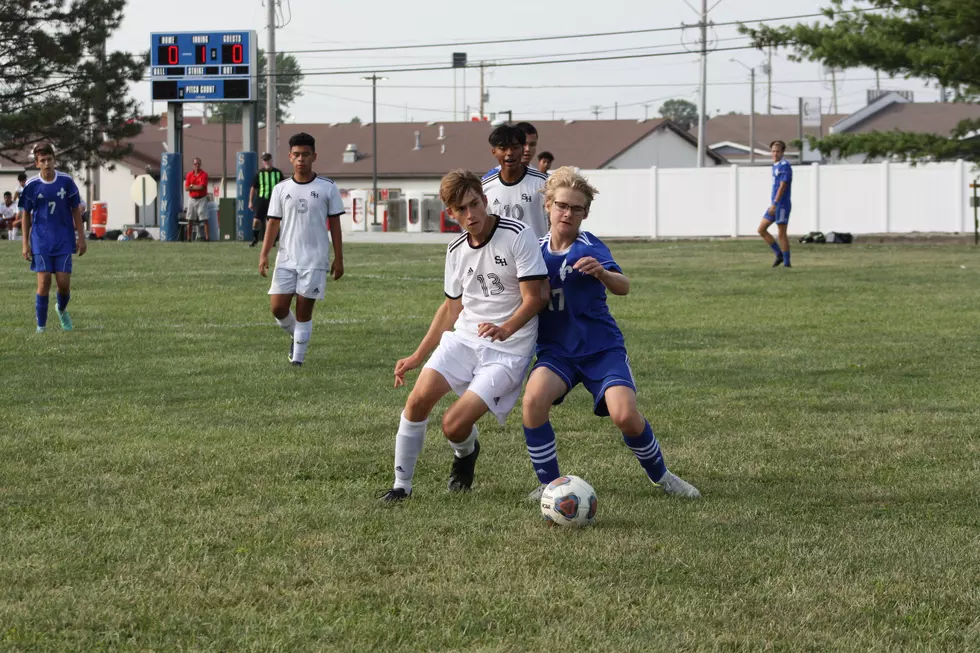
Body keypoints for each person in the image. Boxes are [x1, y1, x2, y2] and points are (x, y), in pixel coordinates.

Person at [521, 167, 701, 501]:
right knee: (533, 401)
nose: (568, 213)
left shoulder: (589, 246)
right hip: (557, 352)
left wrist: (603, 273)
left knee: (625, 415)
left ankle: (662, 476)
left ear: (585, 213)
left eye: (576, 208)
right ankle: (551, 486)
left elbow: (624, 286)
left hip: (601, 350)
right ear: (548, 206)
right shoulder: (533, 250)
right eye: (562, 205)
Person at [379, 169, 549, 502]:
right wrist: (416, 356)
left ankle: (465, 453)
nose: (471, 214)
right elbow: (450, 309)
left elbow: (537, 298)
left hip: (508, 350)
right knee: (416, 401)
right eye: (461, 209)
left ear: (485, 200)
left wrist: (506, 328)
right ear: (451, 213)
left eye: (474, 204)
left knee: (453, 425)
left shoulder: (517, 234)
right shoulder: (456, 249)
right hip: (464, 339)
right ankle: (402, 487)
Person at [258, 132, 345, 366]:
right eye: (296, 155)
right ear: (289, 157)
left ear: (314, 156)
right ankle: (297, 336)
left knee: (305, 311)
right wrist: (264, 253)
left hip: (315, 259)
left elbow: (335, 224)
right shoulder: (281, 188)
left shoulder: (327, 188)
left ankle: (297, 360)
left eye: (306, 155)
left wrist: (339, 258)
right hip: (286, 258)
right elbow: (273, 222)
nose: (301, 159)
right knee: (278, 308)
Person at [20, 143, 86, 333]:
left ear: (54, 160)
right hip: (41, 240)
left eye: (50, 159)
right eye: (43, 161)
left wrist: (81, 237)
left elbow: (75, 210)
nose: (47, 163)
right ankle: (41, 327)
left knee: (64, 284)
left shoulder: (66, 181)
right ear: (37, 163)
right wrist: (25, 243)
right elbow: (25, 214)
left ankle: (61, 309)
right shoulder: (32, 186)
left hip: (64, 239)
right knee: (44, 282)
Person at [482, 124, 549, 239]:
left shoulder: (543, 183)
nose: (509, 153)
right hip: (500, 256)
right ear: (494, 152)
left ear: (522, 149)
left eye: (515, 147)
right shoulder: (485, 187)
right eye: (503, 148)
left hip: (535, 255)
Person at [758, 140, 793, 268]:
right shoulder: (775, 166)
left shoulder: (785, 166)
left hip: (781, 205)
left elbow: (783, 186)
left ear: (783, 152)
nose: (775, 153)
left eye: (778, 151)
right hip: (774, 205)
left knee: (781, 233)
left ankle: (787, 263)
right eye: (773, 151)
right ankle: (779, 254)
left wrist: (775, 203)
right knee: (761, 229)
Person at [248, 152, 284, 247]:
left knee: (271, 221)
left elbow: (283, 187)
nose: (266, 162)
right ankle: (255, 239)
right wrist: (250, 201)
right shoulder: (259, 173)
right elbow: (253, 188)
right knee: (256, 221)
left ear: (271, 161)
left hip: (274, 200)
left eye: (268, 160)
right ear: (263, 162)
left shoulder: (278, 173)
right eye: (264, 160)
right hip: (261, 199)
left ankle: (272, 241)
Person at [184, 157, 209, 241]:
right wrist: (193, 187)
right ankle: (189, 238)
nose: (196, 165)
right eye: (195, 164)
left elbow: (202, 187)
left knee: (204, 218)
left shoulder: (204, 174)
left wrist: (192, 186)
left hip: (202, 198)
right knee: (190, 219)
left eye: (198, 163)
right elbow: (186, 188)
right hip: (192, 198)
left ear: (200, 164)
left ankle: (207, 237)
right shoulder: (189, 175)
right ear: (192, 165)